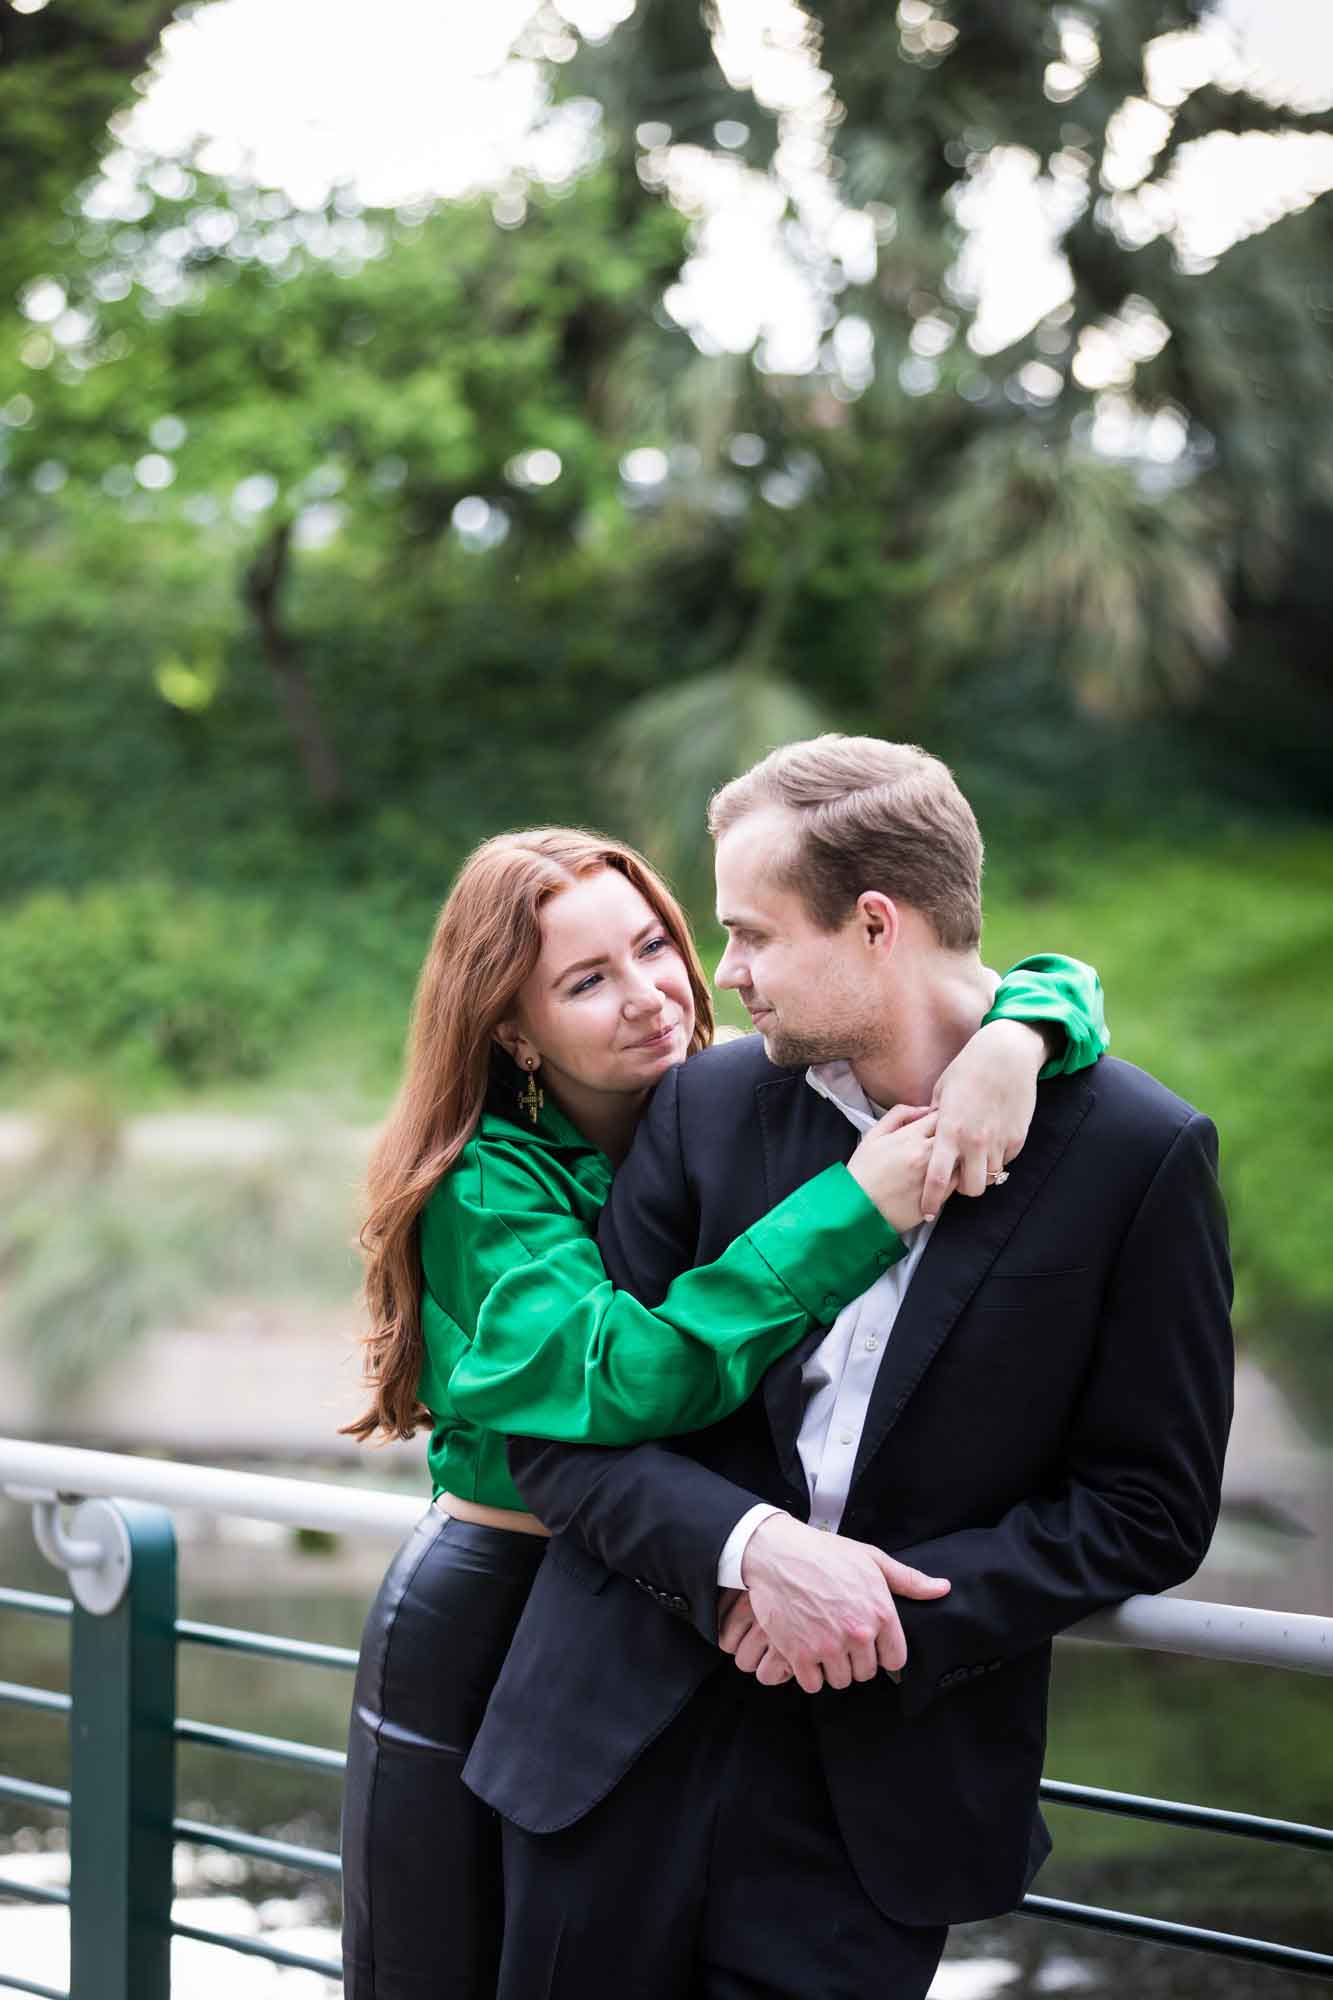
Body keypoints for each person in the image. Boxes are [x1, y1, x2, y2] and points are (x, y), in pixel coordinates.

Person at [463, 740, 1235, 2000]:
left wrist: (876, 1619)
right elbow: (561, 1434)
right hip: (604, 1757)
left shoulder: (1139, 1153)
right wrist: (750, 1554)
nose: (723, 975)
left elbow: (1148, 1506)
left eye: (751, 934)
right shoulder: (701, 1106)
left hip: (881, 1810)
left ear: (875, 923)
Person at [338, 822, 1109, 2000]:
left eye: (656, 946)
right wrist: (855, 1210)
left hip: (646, 1611)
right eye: (586, 981)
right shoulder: (484, 1183)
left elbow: (995, 975)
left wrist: (1021, 1032)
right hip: (493, 1609)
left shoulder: (724, 1103)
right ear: (512, 1029)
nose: (650, 994)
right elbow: (621, 1379)